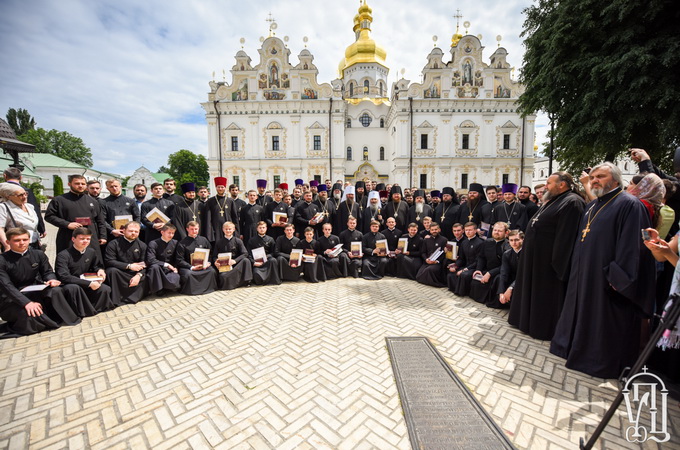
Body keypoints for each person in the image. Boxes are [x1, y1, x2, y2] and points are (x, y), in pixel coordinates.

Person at [550, 162, 656, 379]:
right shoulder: (592, 205)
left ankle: (599, 363)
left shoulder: (630, 205)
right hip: (584, 275)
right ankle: (575, 351)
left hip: (607, 281)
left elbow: (632, 248)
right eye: (593, 177)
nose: (594, 180)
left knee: (603, 323)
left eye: (601, 176)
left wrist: (617, 278)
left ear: (616, 180)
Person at [508, 172, 586, 340]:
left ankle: (542, 328)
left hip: (548, 263)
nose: (545, 186)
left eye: (549, 183)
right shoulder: (555, 199)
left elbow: (566, 237)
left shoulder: (572, 202)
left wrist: (556, 263)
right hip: (535, 259)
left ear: (562, 185)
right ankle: (526, 322)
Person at [0, 227, 92, 335]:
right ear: (7, 242)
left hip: (35, 290)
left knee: (56, 291)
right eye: (17, 240)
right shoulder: (2, 260)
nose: (22, 243)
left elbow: (47, 272)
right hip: (13, 297)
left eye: (25, 240)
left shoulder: (38, 254)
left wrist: (51, 279)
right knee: (31, 317)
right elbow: (7, 286)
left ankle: (60, 317)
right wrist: (26, 303)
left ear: (29, 240)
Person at [45, 174, 108, 260]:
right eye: (77, 183)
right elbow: (49, 216)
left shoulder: (93, 201)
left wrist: (103, 236)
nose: (80, 186)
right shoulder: (59, 200)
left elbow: (100, 220)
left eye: (83, 184)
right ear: (69, 184)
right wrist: (67, 224)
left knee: (92, 261)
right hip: (68, 236)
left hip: (90, 237)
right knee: (69, 260)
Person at [55, 228, 115, 312]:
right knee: (74, 288)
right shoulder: (63, 255)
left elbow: (97, 266)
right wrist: (89, 283)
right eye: (82, 239)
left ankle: (94, 309)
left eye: (88, 239)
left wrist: (100, 270)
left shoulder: (91, 252)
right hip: (71, 283)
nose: (85, 241)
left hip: (87, 281)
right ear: (73, 239)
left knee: (105, 288)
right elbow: (64, 276)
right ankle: (82, 312)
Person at [104, 221, 148, 304]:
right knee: (111, 271)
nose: (133, 233)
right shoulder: (113, 244)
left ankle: (134, 296)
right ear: (123, 231)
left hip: (135, 273)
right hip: (120, 272)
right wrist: (129, 266)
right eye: (130, 231)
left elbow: (144, 264)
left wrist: (138, 276)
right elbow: (109, 261)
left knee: (147, 273)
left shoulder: (142, 245)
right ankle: (116, 299)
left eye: (136, 231)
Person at [469, 222, 510, 304]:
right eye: (495, 230)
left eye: (500, 231)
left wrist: (490, 273)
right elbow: (481, 257)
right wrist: (478, 269)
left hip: (500, 272)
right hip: (487, 269)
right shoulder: (487, 242)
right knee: (476, 280)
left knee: (497, 280)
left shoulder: (508, 245)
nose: (496, 232)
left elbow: (505, 265)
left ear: (506, 233)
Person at [175, 221, 217, 295]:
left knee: (212, 271)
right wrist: (191, 267)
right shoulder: (182, 243)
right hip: (189, 267)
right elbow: (179, 260)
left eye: (196, 229)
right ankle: (192, 291)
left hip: (204, 266)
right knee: (188, 274)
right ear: (187, 229)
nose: (194, 231)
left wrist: (208, 263)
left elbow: (210, 253)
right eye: (192, 229)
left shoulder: (204, 240)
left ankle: (209, 289)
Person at [3, 167, 45, 239]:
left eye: (25, 195)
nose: (24, 196)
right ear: (21, 177)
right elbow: (36, 211)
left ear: (5, 176)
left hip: (6, 234)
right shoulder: (26, 191)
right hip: (25, 234)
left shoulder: (2, 190)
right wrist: (42, 229)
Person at [487, 230, 524, 309]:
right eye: (511, 240)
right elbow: (504, 272)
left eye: (516, 240)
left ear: (523, 240)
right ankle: (501, 301)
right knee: (499, 277)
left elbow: (523, 274)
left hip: (524, 278)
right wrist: (501, 292)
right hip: (512, 276)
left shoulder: (527, 254)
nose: (514, 242)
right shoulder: (507, 254)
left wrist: (510, 288)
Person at [0, 182, 41, 251]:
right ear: (9, 196)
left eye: (25, 193)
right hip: (18, 245)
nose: (24, 197)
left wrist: (38, 239)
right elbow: (0, 229)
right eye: (20, 195)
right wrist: (7, 245)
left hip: (34, 244)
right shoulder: (4, 207)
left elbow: (34, 226)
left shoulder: (30, 206)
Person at [212, 221, 253, 290]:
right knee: (223, 277)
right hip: (225, 266)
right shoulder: (219, 242)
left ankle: (246, 281)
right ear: (223, 229)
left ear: (233, 229)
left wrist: (235, 261)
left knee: (246, 260)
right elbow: (214, 256)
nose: (228, 231)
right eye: (226, 229)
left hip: (236, 265)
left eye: (230, 229)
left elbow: (245, 253)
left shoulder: (238, 241)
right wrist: (215, 261)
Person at [447, 222, 484, 296]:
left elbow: (478, 261)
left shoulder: (480, 243)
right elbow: (461, 258)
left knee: (464, 275)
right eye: (466, 230)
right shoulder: (464, 242)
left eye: (470, 230)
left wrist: (464, 270)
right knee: (451, 274)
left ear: (475, 230)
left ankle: (462, 292)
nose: (468, 232)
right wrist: (456, 266)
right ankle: (456, 289)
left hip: (474, 267)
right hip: (465, 265)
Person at [145, 223, 181, 295]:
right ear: (162, 232)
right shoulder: (153, 243)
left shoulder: (175, 243)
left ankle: (167, 287)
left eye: (173, 233)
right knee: (154, 267)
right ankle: (159, 289)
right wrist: (166, 264)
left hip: (170, 270)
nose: (171, 235)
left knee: (174, 283)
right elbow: (150, 260)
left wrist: (176, 267)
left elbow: (178, 258)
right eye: (169, 233)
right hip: (158, 269)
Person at [101, 178, 140, 244]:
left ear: (120, 187)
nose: (114, 188)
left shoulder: (131, 201)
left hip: (131, 234)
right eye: (111, 187)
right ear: (107, 188)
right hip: (114, 235)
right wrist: (112, 230)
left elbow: (137, 216)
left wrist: (134, 229)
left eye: (116, 186)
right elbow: (102, 220)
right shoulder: (103, 202)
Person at [204, 177, 238, 244]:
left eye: (222, 187)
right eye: (218, 187)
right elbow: (208, 218)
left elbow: (235, 217)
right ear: (216, 188)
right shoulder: (210, 201)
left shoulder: (230, 201)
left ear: (225, 188)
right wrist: (209, 232)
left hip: (228, 229)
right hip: (215, 229)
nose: (220, 189)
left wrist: (236, 232)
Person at [415, 222, 448, 287]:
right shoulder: (426, 240)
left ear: (439, 230)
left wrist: (437, 261)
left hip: (438, 263)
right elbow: (423, 252)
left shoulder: (444, 240)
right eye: (432, 230)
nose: (434, 231)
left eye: (436, 229)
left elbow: (445, 254)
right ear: (430, 231)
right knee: (418, 276)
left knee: (429, 270)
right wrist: (426, 259)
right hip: (427, 261)